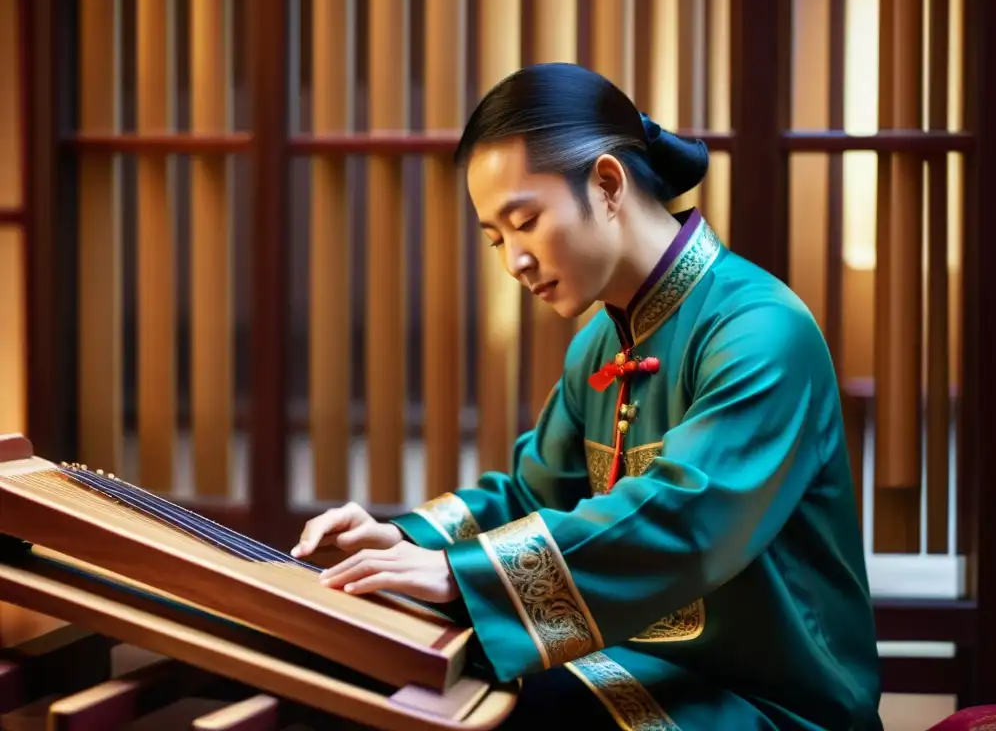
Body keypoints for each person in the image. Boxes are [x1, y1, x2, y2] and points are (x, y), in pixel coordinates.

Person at [292, 62, 883, 730]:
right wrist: (406, 537)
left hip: (768, 705)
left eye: (525, 220)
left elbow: (685, 523)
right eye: (496, 238)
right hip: (634, 670)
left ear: (606, 184)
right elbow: (533, 494)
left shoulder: (761, 331)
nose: (513, 259)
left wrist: (462, 575)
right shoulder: (601, 345)